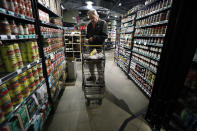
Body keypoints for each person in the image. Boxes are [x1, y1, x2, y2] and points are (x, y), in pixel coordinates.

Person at [85, 9, 108, 83]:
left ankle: (100, 78)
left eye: (92, 17)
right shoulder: (89, 25)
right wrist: (86, 39)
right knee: (90, 62)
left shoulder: (103, 23)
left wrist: (94, 38)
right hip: (91, 48)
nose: (91, 19)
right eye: (90, 18)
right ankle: (93, 76)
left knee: (99, 63)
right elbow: (88, 35)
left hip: (99, 48)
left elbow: (105, 36)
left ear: (96, 15)